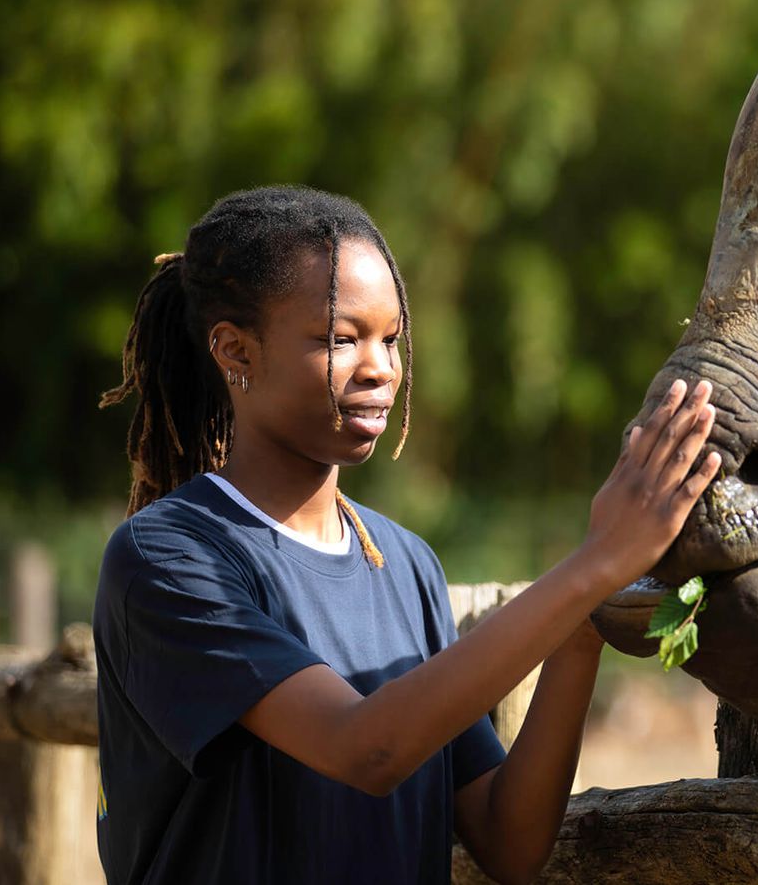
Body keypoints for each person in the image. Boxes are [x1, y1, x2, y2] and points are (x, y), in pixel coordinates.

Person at [92, 185, 721, 885]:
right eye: (340, 338)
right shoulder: (170, 558)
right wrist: (597, 560)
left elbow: (508, 841)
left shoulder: (403, 563)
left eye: (390, 339)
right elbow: (366, 750)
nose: (381, 368)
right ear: (235, 351)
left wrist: (578, 631)